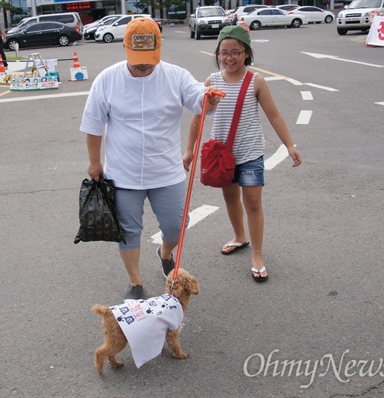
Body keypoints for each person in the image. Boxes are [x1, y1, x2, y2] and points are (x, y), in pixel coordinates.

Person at [80, 18, 223, 300]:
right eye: (137, 60)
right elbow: (93, 125)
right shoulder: (107, 79)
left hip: (166, 171)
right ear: (125, 49)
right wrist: (94, 162)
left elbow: (198, 99)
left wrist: (210, 98)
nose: (143, 65)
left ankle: (165, 252)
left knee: (175, 225)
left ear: (158, 48)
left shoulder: (175, 75)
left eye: (149, 59)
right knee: (128, 231)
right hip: (123, 173)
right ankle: (135, 281)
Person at [184, 26, 302, 282]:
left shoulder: (255, 81)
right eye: (223, 53)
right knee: (230, 199)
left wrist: (289, 145)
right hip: (221, 155)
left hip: (249, 153)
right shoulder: (211, 81)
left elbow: (274, 115)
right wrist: (189, 149)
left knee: (253, 203)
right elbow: (197, 118)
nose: (229, 58)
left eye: (235, 52)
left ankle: (257, 254)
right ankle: (240, 236)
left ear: (247, 53)